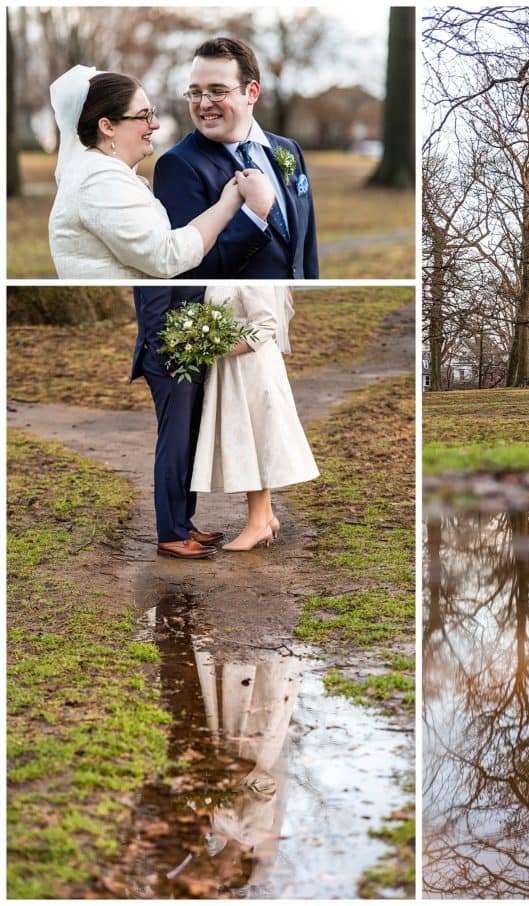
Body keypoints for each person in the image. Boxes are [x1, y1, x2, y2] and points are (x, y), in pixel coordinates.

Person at [47, 65, 271, 279]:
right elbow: (166, 256)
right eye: (143, 115)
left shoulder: (99, 171)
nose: (155, 124)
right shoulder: (98, 179)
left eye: (152, 113)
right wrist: (227, 205)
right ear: (107, 127)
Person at [154, 37, 319, 278]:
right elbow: (190, 272)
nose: (204, 104)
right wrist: (254, 214)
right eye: (195, 92)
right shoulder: (178, 166)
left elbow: (306, 249)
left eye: (217, 91)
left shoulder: (289, 150)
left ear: (251, 92)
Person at [190, 285, 319, 551]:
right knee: (249, 440)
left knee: (253, 440)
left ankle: (257, 523)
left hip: (251, 370)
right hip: (232, 369)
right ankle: (264, 516)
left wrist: (218, 348)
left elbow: (266, 323)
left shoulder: (256, 276)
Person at [131, 286, 223, 560]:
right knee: (175, 447)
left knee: (189, 445)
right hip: (170, 364)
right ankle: (171, 534)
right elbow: (154, 312)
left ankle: (184, 524)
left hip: (190, 359)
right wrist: (170, 360)